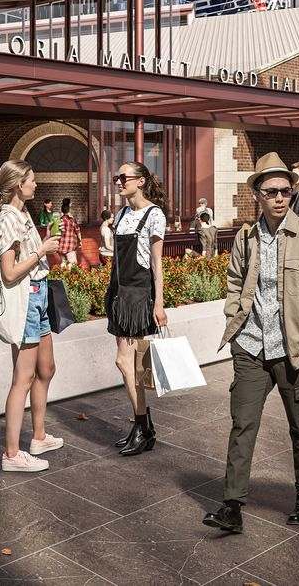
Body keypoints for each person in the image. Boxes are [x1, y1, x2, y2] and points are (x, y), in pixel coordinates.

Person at [203, 152, 299, 536]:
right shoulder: (245, 237)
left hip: (294, 350)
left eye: (285, 190)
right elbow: (233, 282)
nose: (280, 197)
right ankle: (232, 506)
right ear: (257, 196)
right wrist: (234, 320)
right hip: (250, 346)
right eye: (271, 191)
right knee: (242, 424)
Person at [0, 159, 64, 472]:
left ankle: (38, 436)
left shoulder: (24, 213)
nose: (36, 184)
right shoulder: (7, 218)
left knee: (46, 368)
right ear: (17, 184)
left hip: (40, 295)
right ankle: (11, 454)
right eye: (31, 180)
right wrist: (41, 251)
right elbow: (9, 273)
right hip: (25, 300)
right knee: (22, 378)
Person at [106, 162, 168, 457]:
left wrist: (160, 303)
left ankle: (143, 426)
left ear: (140, 181)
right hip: (118, 291)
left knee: (125, 362)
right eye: (116, 177)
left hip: (139, 294)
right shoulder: (121, 214)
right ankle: (143, 427)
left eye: (123, 177)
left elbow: (157, 263)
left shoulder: (154, 215)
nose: (118, 182)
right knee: (132, 366)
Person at [55, 197, 81, 266]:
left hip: (61, 246)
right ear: (70, 206)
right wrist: (80, 240)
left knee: (63, 263)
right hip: (70, 246)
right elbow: (78, 231)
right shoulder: (71, 220)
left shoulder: (59, 219)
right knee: (72, 263)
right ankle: (69, 275)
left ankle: (62, 275)